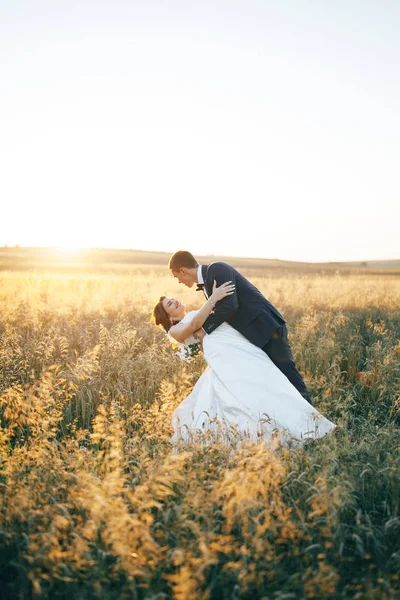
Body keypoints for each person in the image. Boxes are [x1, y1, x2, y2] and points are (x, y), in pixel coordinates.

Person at [152, 281, 336, 446]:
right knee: (242, 388)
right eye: (170, 304)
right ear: (169, 318)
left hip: (232, 346)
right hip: (223, 353)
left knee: (267, 379)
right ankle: (263, 430)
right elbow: (195, 326)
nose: (175, 301)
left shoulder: (189, 316)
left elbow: (203, 325)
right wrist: (214, 298)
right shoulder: (174, 331)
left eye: (173, 299)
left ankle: (302, 422)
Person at [168, 250, 313, 405]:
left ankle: (312, 418)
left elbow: (230, 305)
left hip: (267, 327)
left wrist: (204, 331)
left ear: (183, 271)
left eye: (177, 277)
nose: (179, 282)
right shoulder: (207, 281)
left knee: (288, 373)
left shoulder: (217, 269)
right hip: (254, 333)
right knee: (274, 378)